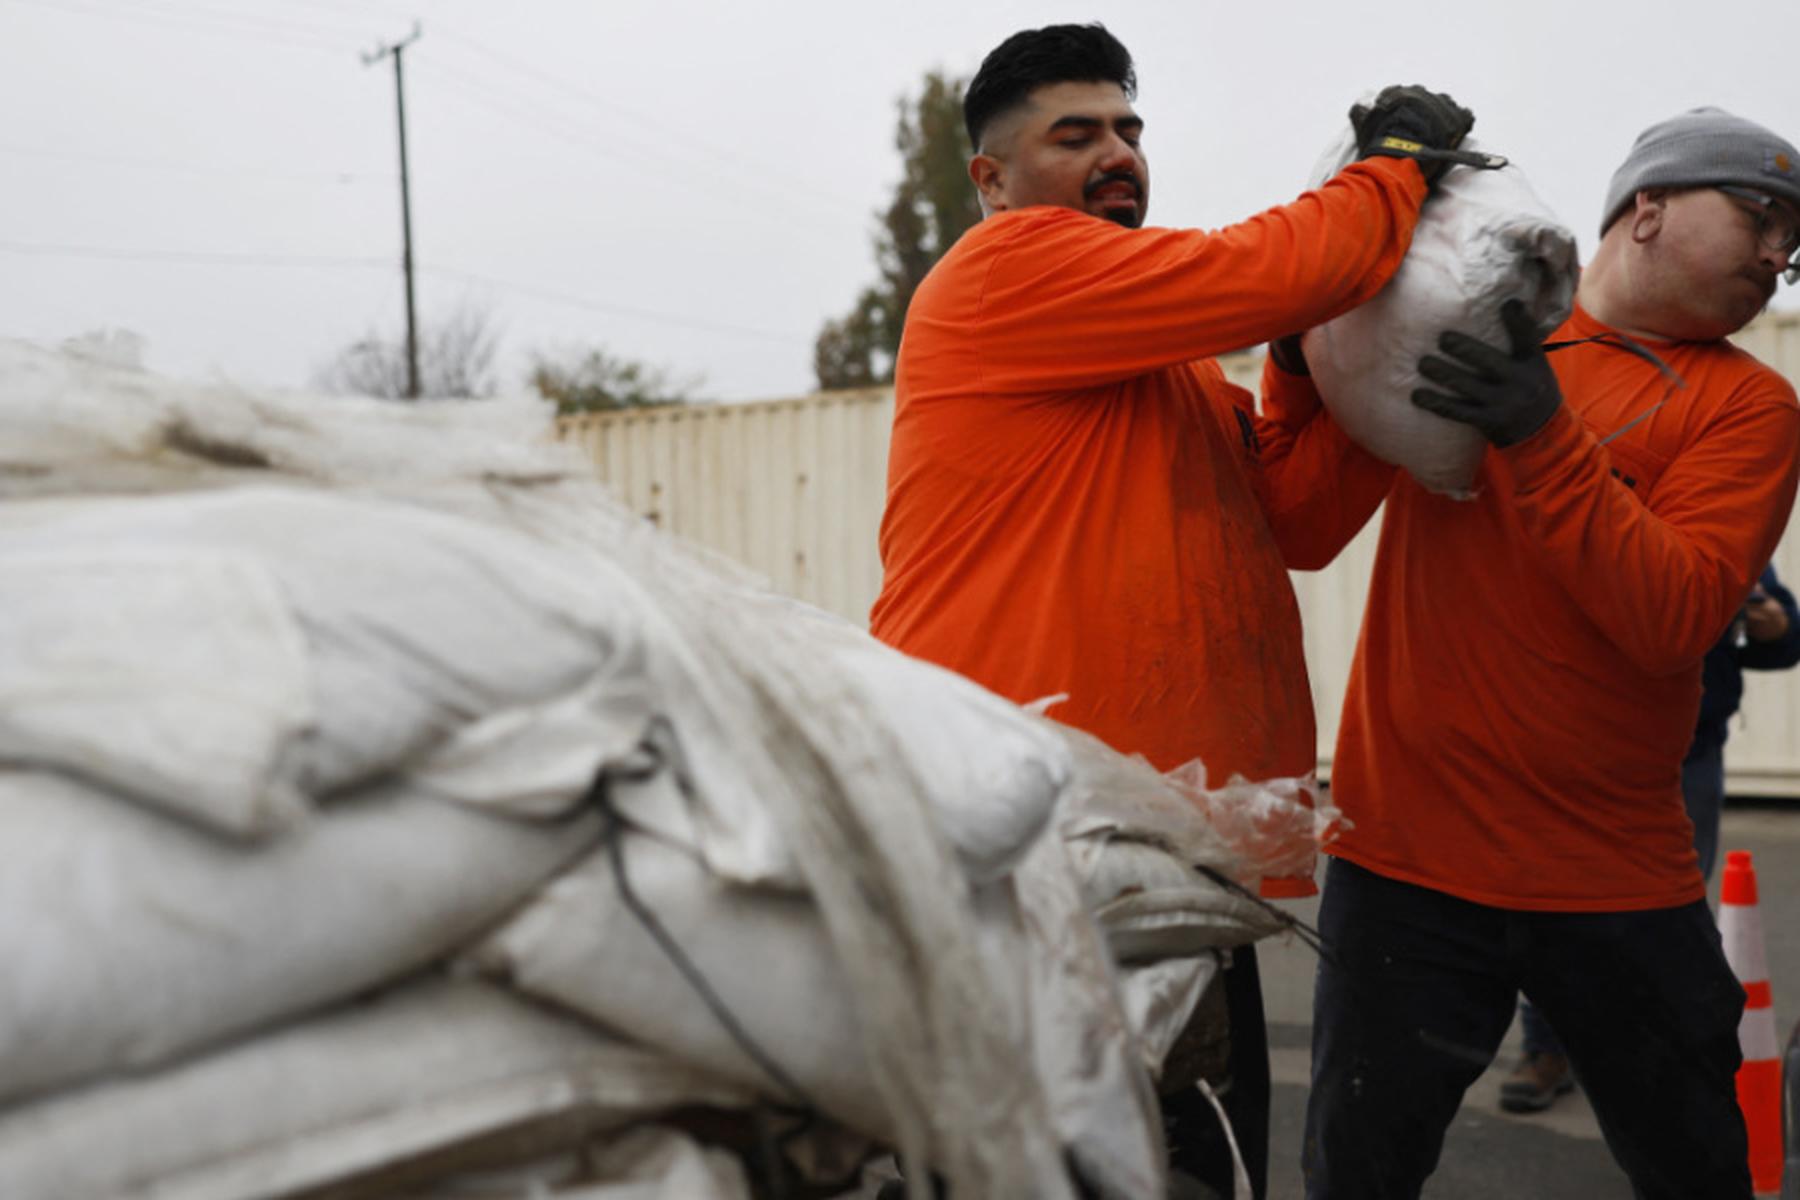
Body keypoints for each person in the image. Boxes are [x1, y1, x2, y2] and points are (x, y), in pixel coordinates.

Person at [866, 21, 1475, 1198]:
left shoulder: (1175, 365)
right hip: (1033, 845)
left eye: (1131, 129)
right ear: (991, 180)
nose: (1120, 153)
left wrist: (1308, 365)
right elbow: (1269, 267)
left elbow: (1293, 519)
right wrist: (1392, 167)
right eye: (1077, 133)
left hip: (1158, 850)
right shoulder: (1008, 270)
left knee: (1189, 1164)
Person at [1282, 107, 1800, 1198]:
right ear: (1645, 210)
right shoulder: (1472, 323)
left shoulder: (1748, 407)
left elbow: (1673, 618)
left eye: (1792, 243)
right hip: (1405, 868)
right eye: (1760, 217)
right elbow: (1299, 527)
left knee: (1701, 1171)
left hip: (1612, 876)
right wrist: (1301, 349)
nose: (1778, 256)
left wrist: (1540, 432)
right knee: (1355, 1177)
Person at [1503, 561, 1800, 1113]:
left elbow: (1782, 640)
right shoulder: (1581, 504)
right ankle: (1548, 1049)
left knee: (1666, 914)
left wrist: (1775, 624)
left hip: (1688, 752)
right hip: (1576, 747)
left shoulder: (1709, 511)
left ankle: (1656, 1064)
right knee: (1554, 902)